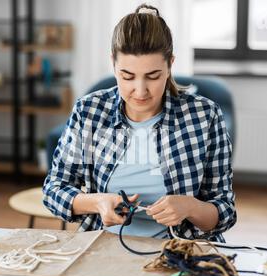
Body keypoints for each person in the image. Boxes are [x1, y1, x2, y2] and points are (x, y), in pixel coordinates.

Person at [43, 4, 236, 242]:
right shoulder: (89, 111)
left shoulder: (205, 116)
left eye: (153, 76)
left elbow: (225, 211)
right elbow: (54, 190)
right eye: (128, 76)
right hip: (105, 248)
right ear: (113, 63)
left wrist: (191, 208)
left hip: (182, 250)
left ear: (170, 65)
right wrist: (98, 202)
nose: (140, 91)